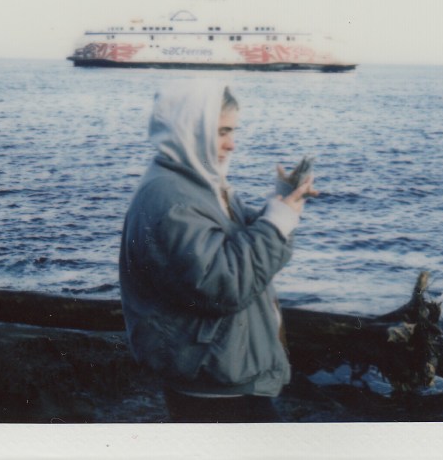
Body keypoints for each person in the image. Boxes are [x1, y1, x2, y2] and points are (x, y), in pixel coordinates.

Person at [118, 80, 316, 423]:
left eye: (232, 131)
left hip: (217, 371)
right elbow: (223, 285)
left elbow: (242, 247)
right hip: (212, 381)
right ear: (189, 128)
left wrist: (281, 205)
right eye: (222, 131)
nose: (232, 144)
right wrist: (277, 221)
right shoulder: (174, 200)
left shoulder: (197, 182)